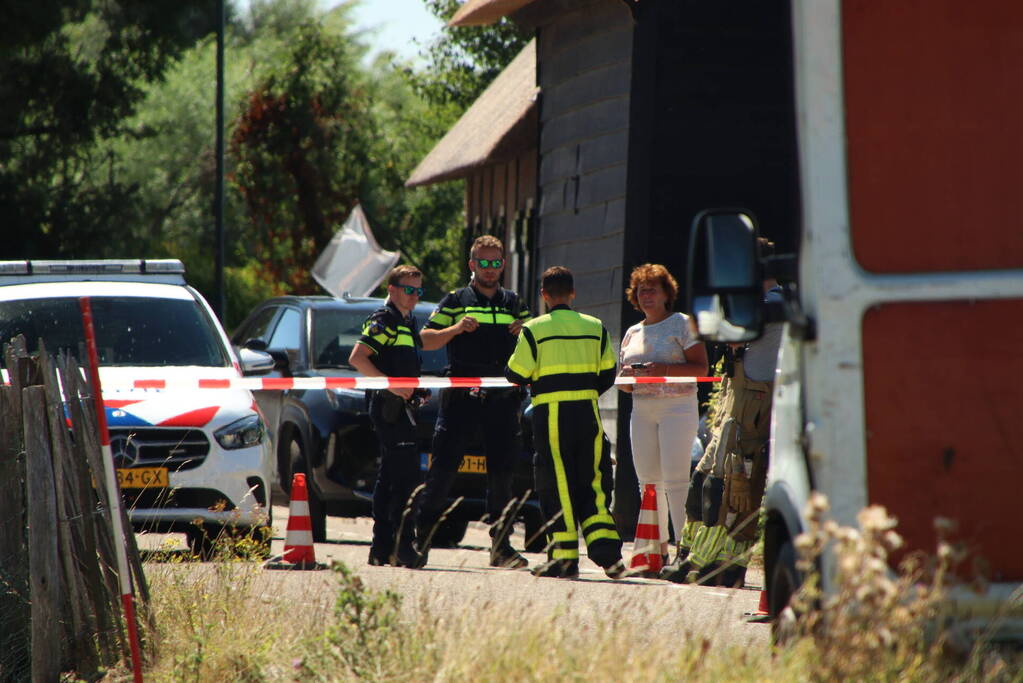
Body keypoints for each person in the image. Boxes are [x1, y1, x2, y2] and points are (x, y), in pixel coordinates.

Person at [662, 238, 784, 586]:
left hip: (755, 405)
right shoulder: (757, 303)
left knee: (736, 488)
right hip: (737, 399)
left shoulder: (774, 303)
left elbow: (727, 333)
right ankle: (697, 558)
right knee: (708, 480)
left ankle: (727, 566)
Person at [413, 235, 532, 569]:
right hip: (462, 398)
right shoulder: (456, 299)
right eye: (484, 262)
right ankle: (420, 542)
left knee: (503, 474)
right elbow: (425, 340)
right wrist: (454, 328)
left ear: (503, 265)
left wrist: (525, 329)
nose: (490, 269)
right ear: (472, 264)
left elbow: (535, 340)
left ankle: (502, 548)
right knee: (443, 470)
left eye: (496, 263)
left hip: (504, 399)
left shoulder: (514, 302)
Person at [505, 266, 627, 579]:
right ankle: (609, 555)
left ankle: (563, 559)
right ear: (572, 293)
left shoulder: (533, 329)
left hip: (551, 414)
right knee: (594, 482)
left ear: (544, 295)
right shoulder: (596, 326)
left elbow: (515, 374)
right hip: (588, 412)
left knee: (556, 484)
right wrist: (583, 392)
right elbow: (608, 373)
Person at [618, 264, 708, 572]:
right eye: (641, 290)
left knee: (676, 480)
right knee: (648, 483)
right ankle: (654, 553)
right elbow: (624, 383)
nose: (646, 296)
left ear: (667, 293)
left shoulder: (683, 324)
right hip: (642, 409)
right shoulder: (632, 332)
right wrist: (627, 377)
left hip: (678, 407)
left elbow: (701, 368)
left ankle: (686, 551)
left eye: (652, 289)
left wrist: (663, 370)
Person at [348, 265, 426, 567]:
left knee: (391, 476)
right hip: (388, 409)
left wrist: (414, 390)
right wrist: (393, 386)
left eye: (419, 291)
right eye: (409, 290)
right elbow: (357, 358)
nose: (414, 296)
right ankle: (403, 547)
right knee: (406, 479)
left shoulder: (408, 322)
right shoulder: (385, 320)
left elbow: (400, 366)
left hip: (400, 409)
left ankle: (382, 548)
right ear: (391, 290)